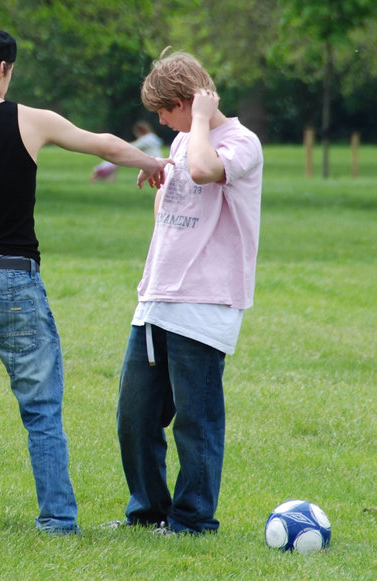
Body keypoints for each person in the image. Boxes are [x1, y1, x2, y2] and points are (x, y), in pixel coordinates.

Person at [0, 27, 171, 535]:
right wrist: (154, 161)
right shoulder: (30, 121)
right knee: (41, 411)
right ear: (3, 69)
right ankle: (58, 520)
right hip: (17, 284)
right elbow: (102, 145)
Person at [112, 50, 263, 535]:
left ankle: (192, 519)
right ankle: (148, 512)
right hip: (158, 298)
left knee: (195, 422)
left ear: (187, 102)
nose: (160, 120)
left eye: (165, 110)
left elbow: (203, 171)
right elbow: (176, 200)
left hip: (205, 302)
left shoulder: (242, 142)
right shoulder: (182, 143)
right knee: (134, 416)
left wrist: (199, 121)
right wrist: (160, 171)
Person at [90, 121, 163, 183]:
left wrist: (119, 145)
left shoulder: (146, 140)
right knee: (116, 161)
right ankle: (107, 177)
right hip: (156, 160)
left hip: (153, 162)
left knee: (116, 160)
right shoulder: (152, 137)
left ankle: (101, 172)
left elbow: (132, 146)